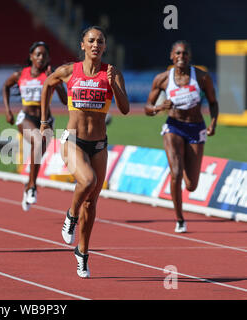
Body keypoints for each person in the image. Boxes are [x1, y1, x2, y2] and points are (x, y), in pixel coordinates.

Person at [40, 26, 130, 277]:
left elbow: (124, 109)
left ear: (104, 46)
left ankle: (82, 252)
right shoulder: (70, 71)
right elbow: (47, 84)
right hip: (73, 140)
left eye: (100, 41)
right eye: (91, 41)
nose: (96, 45)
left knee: (92, 203)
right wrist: (45, 120)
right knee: (87, 180)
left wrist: (115, 85)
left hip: (99, 144)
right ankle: (70, 215)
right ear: (82, 45)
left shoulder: (112, 73)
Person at [144, 40, 218, 233]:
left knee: (192, 185)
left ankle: (184, 164)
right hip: (173, 127)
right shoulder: (162, 79)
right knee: (175, 172)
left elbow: (213, 101)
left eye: (184, 54)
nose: (181, 57)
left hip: (195, 127)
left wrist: (213, 123)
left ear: (189, 56)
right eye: (177, 53)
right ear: (171, 56)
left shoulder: (201, 77)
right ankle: (179, 219)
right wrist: (160, 107)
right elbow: (147, 109)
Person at [3, 41, 67, 211]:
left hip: (46, 121)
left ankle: (29, 185)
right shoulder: (20, 75)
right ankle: (32, 186)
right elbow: (6, 86)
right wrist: (8, 110)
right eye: (38, 54)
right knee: (38, 142)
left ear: (48, 59)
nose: (41, 58)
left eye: (44, 55)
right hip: (26, 118)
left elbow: (65, 101)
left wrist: (56, 81)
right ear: (31, 56)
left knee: (38, 151)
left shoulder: (51, 76)